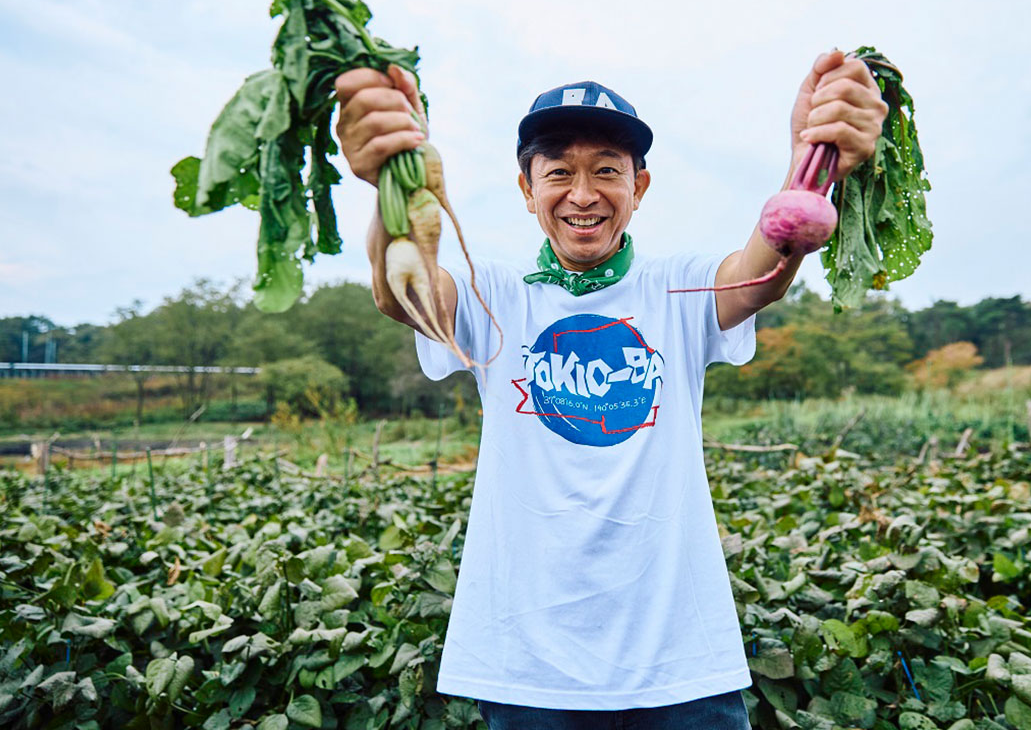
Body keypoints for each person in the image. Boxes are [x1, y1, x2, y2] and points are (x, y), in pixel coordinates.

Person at [333, 50, 887, 729]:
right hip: (528, 663)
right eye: (559, 172)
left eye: (606, 170)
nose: (583, 193)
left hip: (679, 663)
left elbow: (759, 274)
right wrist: (389, 180)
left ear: (640, 185)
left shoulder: (673, 288)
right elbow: (405, 292)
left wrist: (813, 162)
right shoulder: (496, 294)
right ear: (526, 190)